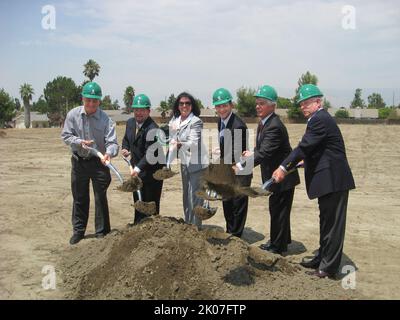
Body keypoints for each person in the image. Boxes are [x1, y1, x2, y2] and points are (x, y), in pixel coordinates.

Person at [272, 84, 355, 278]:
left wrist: (283, 167)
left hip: (334, 181)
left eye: (307, 103)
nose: (303, 107)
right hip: (328, 180)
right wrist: (303, 162)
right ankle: (322, 257)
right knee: (325, 222)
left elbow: (305, 146)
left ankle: (328, 268)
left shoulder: (320, 119)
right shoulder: (318, 119)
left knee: (333, 225)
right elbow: (317, 149)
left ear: (319, 102)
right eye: (301, 104)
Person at [240, 85, 300, 254]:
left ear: (272, 106)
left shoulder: (274, 125)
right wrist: (252, 153)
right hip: (275, 175)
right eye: (257, 103)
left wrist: (241, 166)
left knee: (279, 211)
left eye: (262, 103)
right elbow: (263, 149)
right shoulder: (264, 123)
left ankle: (277, 246)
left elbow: (265, 153)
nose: (258, 106)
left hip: (283, 177)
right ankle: (281, 240)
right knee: (278, 210)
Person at [61, 82, 119, 245]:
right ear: (83, 99)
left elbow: (113, 142)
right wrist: (79, 142)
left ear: (99, 101)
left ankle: (102, 231)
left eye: (95, 100)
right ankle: (78, 231)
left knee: (100, 197)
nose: (91, 104)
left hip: (99, 163)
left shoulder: (106, 120)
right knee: (80, 197)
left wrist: (108, 153)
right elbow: (65, 135)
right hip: (79, 162)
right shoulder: (73, 115)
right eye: (88, 100)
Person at [212, 88, 252, 238]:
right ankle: (230, 232)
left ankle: (236, 237)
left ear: (231, 105)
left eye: (224, 105)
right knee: (227, 203)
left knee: (237, 205)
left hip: (240, 170)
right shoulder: (220, 121)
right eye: (218, 106)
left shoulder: (238, 125)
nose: (221, 109)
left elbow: (235, 153)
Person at [121, 94, 164, 225]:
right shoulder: (130, 123)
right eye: (136, 109)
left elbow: (150, 153)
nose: (138, 113)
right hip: (137, 169)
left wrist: (137, 168)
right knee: (138, 201)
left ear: (148, 111)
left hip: (153, 172)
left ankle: (152, 231)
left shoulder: (153, 128)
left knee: (150, 204)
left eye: (142, 110)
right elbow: (126, 139)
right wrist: (125, 148)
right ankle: (137, 227)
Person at [168, 92, 208, 227]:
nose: (184, 106)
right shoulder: (174, 121)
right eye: (181, 103)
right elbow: (171, 140)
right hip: (185, 163)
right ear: (178, 106)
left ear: (192, 105)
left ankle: (196, 228)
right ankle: (188, 224)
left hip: (197, 164)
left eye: (187, 103)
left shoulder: (196, 121)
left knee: (195, 197)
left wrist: (180, 144)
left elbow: (193, 143)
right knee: (186, 195)